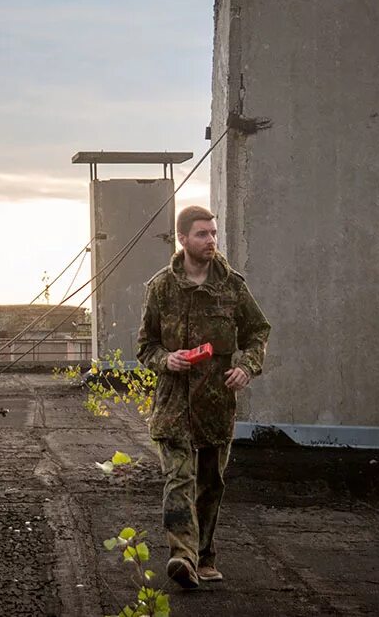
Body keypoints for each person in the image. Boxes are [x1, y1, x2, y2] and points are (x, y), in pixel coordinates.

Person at [137, 205, 270, 589]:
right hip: (174, 404)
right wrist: (167, 359)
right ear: (182, 239)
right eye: (202, 234)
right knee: (178, 479)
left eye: (213, 233)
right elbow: (146, 346)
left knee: (210, 483)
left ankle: (205, 556)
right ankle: (183, 558)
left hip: (216, 403)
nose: (211, 240)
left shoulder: (232, 287)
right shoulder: (161, 288)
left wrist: (246, 365)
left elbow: (258, 331)